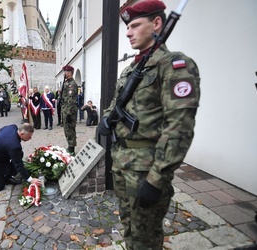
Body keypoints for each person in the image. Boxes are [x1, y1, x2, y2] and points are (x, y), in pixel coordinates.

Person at [98, 1, 200, 249]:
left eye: (135, 25)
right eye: (128, 26)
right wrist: (106, 118)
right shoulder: (131, 69)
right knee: (130, 228)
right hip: (122, 163)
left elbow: (179, 128)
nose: (128, 32)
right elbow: (116, 104)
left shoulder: (174, 65)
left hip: (146, 169)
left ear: (156, 24)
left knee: (146, 237)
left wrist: (157, 179)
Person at [61, 65, 78, 154]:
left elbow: (71, 100)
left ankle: (72, 148)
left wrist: (68, 113)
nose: (64, 73)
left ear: (70, 73)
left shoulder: (72, 84)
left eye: (65, 72)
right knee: (67, 130)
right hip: (65, 110)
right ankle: (69, 145)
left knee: (70, 129)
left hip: (70, 111)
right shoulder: (66, 82)